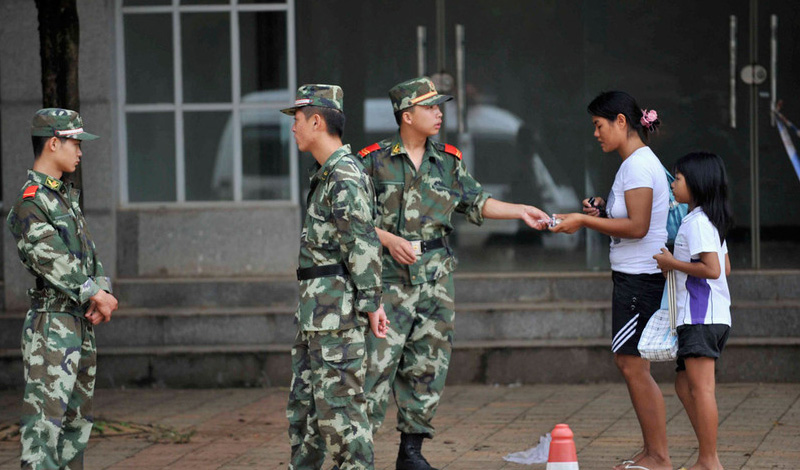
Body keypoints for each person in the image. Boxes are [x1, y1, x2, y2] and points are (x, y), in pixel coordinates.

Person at [358, 77, 549, 470]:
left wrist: (521, 210)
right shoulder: (372, 161)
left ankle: (411, 453)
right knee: (374, 370)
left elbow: (477, 201)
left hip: (436, 281)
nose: (439, 112)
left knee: (427, 367)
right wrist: (388, 239)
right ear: (406, 115)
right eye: (430, 107)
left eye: (439, 106)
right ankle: (358, 456)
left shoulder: (447, 160)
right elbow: (352, 220)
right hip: (386, 283)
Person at [550, 91, 672, 470]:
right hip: (635, 279)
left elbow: (637, 226)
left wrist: (584, 220)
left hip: (639, 282)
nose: (596, 134)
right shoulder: (634, 163)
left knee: (632, 365)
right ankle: (652, 452)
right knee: (632, 364)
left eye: (598, 126)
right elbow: (631, 220)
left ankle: (658, 456)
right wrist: (602, 210)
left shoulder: (637, 165)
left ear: (622, 121)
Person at [281, 84, 389, 470]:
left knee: (342, 420)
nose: (292, 128)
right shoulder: (327, 174)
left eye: (296, 120)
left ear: (316, 121)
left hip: (337, 319)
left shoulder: (343, 175)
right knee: (306, 418)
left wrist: (372, 304)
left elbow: (361, 245)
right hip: (317, 315)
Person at [7, 108, 119, 470]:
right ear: (53, 143)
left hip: (78, 322)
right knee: (44, 431)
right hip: (51, 325)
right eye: (75, 142)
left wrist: (101, 289)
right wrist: (94, 294)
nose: (80, 151)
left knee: (75, 429)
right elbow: (51, 258)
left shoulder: (63, 197)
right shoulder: (31, 202)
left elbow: (88, 254)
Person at [653, 152, 732, 470]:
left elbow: (713, 269)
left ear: (697, 183)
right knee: (685, 385)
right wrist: (678, 268)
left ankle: (709, 460)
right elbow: (725, 266)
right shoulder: (707, 221)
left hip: (700, 318)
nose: (674, 184)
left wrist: (673, 263)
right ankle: (707, 454)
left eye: (679, 178)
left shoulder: (698, 222)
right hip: (709, 316)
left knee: (700, 389)